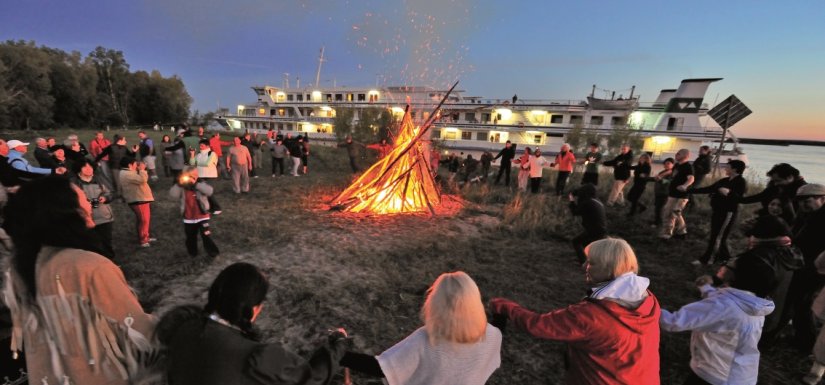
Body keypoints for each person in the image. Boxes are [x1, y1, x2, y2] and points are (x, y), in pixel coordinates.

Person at [2, 176, 154, 385]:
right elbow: (136, 332)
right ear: (65, 210)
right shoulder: (88, 266)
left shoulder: (20, 269)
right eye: (82, 198)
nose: (88, 205)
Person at [490, 238, 660, 385]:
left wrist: (504, 306)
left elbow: (538, 325)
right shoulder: (648, 300)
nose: (584, 265)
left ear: (610, 269)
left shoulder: (590, 315)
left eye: (591, 263)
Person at [156, 262, 347, 385]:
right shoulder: (256, 358)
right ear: (254, 308)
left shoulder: (184, 327)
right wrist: (337, 345)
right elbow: (312, 378)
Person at [342, 271, 501, 385]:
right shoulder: (493, 335)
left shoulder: (426, 341)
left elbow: (382, 368)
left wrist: (340, 354)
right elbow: (497, 339)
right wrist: (501, 317)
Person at [660, 256, 776, 385]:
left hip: (715, 376)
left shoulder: (723, 305)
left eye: (728, 264)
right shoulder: (753, 303)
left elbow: (671, 322)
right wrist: (705, 288)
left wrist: (642, 303)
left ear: (736, 276)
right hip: (740, 375)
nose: (723, 266)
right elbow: (724, 305)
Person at [733, 215, 803, 348]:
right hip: (771, 320)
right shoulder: (789, 253)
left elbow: (742, 293)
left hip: (749, 323)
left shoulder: (758, 258)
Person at [782, 184, 825, 352]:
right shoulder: (809, 213)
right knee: (798, 300)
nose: (802, 205)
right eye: (800, 202)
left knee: (803, 302)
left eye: (807, 201)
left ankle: (805, 343)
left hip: (815, 268)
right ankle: (800, 336)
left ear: (822, 198)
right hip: (802, 263)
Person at [689, 160, 747, 265]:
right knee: (717, 235)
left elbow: (739, 198)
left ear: (734, 169)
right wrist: (689, 190)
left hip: (727, 213)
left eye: (728, 167)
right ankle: (726, 258)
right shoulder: (725, 180)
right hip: (717, 211)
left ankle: (708, 260)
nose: (725, 168)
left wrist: (729, 192)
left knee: (717, 236)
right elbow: (710, 188)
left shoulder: (740, 182)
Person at [169, 166, 220, 258]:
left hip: (202, 215)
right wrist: (178, 184)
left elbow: (210, 191)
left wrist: (196, 185)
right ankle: (192, 253)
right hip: (189, 217)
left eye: (196, 174)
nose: (195, 176)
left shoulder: (200, 183)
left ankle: (213, 252)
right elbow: (173, 195)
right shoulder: (182, 186)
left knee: (206, 235)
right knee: (190, 237)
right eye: (192, 175)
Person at [73, 158, 116, 259]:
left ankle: (110, 261)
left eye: (90, 166)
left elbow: (111, 192)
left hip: (104, 216)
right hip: (87, 219)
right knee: (92, 243)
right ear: (79, 169)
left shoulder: (100, 179)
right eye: (85, 167)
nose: (88, 169)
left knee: (106, 241)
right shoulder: (74, 183)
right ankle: (96, 264)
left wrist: (105, 197)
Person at [741, 163, 807, 223]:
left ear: (790, 177)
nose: (775, 184)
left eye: (778, 180)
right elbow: (762, 196)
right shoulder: (778, 185)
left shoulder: (803, 191)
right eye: (774, 181)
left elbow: (794, 214)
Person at [119, 157, 155, 248]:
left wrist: (140, 170)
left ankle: (145, 236)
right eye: (135, 164)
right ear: (130, 165)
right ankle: (143, 240)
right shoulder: (127, 174)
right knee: (143, 220)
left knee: (143, 220)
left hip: (140, 198)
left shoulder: (127, 172)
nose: (137, 165)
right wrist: (142, 170)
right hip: (138, 200)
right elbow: (142, 180)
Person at [569, 183, 607, 264]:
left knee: (576, 242)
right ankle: (587, 260)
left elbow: (575, 212)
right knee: (586, 244)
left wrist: (571, 199)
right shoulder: (597, 201)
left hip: (594, 230)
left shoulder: (588, 202)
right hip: (601, 229)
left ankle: (583, 262)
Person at [660, 149, 694, 240]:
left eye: (679, 154)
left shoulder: (688, 166)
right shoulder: (677, 165)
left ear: (685, 155)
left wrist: (684, 186)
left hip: (682, 195)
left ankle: (678, 233)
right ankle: (672, 233)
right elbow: (672, 174)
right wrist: (662, 176)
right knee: (668, 212)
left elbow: (691, 179)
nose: (676, 155)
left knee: (675, 212)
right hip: (673, 193)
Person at [651, 157, 675, 227]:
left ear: (673, 165)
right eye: (665, 163)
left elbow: (669, 182)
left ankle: (658, 223)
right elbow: (657, 179)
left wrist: (660, 180)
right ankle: (657, 221)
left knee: (660, 208)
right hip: (658, 192)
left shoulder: (672, 173)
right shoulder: (663, 172)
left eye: (668, 163)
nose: (666, 165)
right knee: (657, 208)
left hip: (665, 193)